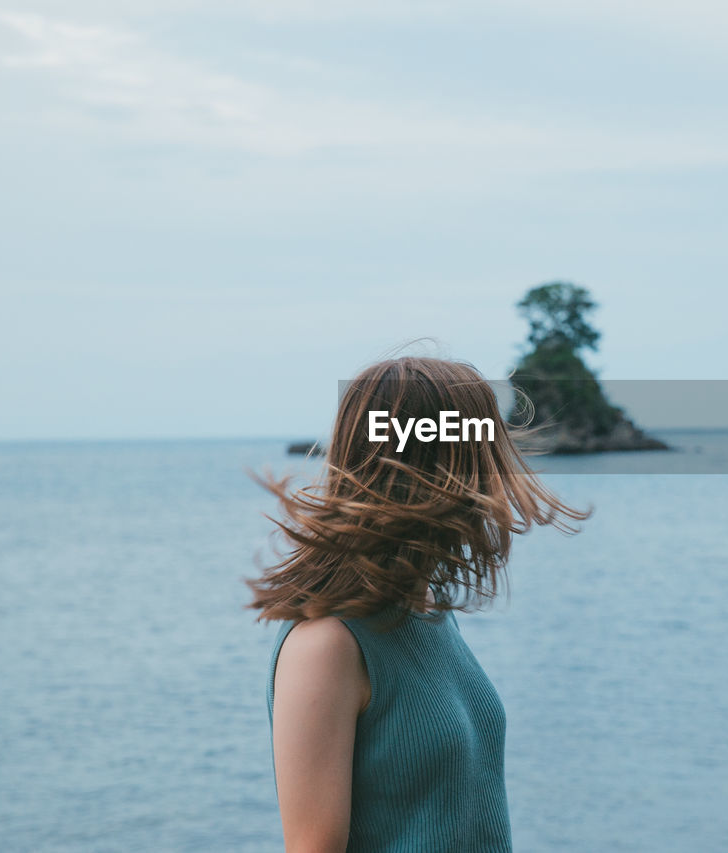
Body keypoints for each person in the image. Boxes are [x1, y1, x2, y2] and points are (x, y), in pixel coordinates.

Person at [248, 356, 590, 852]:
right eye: (481, 451)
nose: (497, 476)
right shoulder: (325, 645)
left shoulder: (426, 607)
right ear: (436, 467)